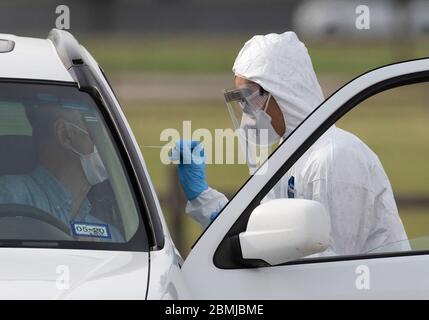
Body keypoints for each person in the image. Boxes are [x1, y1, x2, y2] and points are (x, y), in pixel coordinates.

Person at [175, 31, 408, 256]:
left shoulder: (334, 157)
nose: (245, 112)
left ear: (283, 91)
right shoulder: (293, 154)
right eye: (240, 101)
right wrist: (203, 198)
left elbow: (332, 268)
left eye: (248, 98)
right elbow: (263, 230)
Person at [0, 100, 123, 242]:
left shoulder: (111, 236)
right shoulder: (9, 195)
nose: (108, 143)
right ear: (64, 134)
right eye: (96, 130)